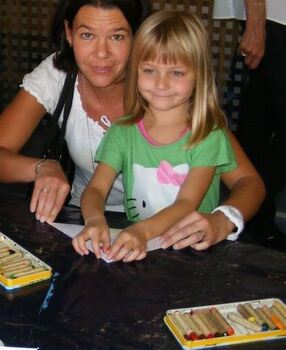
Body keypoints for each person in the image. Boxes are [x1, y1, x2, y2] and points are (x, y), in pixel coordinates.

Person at [0, 0, 264, 250]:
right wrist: (42, 166)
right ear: (69, 33)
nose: (101, 54)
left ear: (138, 37)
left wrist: (223, 219)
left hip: (167, 233)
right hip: (89, 220)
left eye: (117, 36)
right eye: (87, 34)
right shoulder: (58, 75)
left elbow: (248, 182)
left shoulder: (165, 90)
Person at [71, 10, 236, 262]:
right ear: (135, 71)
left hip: (193, 252)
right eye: (149, 70)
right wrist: (94, 219)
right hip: (139, 248)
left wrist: (140, 231)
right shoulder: (122, 132)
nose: (161, 84)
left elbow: (186, 204)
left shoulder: (208, 136)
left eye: (176, 73)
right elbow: (95, 188)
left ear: (198, 76)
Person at [214, 1, 286, 248]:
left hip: (272, 16)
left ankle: (252, 221)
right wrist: (256, 21)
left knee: (259, 114)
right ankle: (247, 216)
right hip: (274, 13)